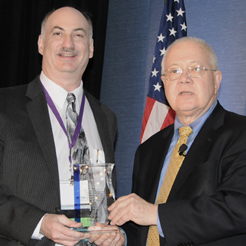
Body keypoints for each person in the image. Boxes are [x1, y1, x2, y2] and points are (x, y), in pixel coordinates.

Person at [0, 6, 125, 246]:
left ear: (90, 48)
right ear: (40, 43)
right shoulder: (4, 106)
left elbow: (103, 196)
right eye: (58, 34)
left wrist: (110, 231)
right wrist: (40, 223)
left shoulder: (106, 117)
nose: (68, 43)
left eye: (78, 35)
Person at [108, 36, 246, 246]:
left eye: (196, 69)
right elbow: (141, 226)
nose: (184, 78)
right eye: (174, 71)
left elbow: (238, 206)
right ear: (164, 83)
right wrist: (121, 238)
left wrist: (156, 214)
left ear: (217, 80)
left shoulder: (240, 133)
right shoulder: (148, 149)